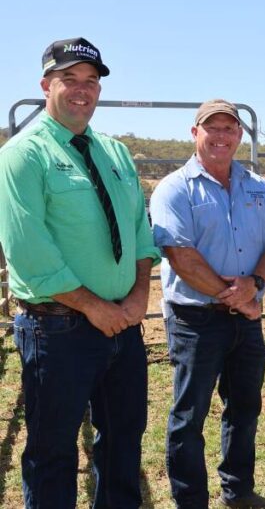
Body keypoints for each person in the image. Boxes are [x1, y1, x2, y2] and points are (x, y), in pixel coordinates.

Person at [0, 37, 160, 508]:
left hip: (123, 326)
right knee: (52, 451)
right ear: (46, 84)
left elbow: (137, 230)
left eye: (91, 81)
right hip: (58, 327)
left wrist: (137, 297)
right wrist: (94, 306)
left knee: (123, 443)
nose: (82, 90)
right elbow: (29, 251)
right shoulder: (23, 155)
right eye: (69, 79)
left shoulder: (115, 152)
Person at [149, 99, 265, 508]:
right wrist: (237, 298)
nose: (222, 136)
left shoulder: (258, 187)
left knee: (245, 407)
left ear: (240, 136)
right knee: (189, 416)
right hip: (196, 319)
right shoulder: (175, 188)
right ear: (195, 134)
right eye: (213, 128)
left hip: (246, 319)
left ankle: (238, 490)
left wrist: (256, 284)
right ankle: (191, 501)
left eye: (230, 129)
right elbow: (181, 255)